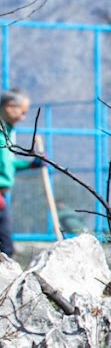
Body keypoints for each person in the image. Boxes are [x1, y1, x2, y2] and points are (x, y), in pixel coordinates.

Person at [0, 89, 42, 257]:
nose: (23, 117)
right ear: (10, 106)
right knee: (6, 247)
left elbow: (6, 164)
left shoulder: (7, 132)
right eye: (22, 112)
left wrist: (32, 164)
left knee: (6, 247)